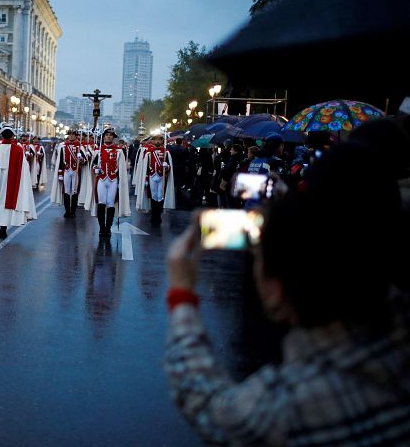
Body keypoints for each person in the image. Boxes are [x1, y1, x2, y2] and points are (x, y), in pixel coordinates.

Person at [163, 141, 409, 445]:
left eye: (261, 260)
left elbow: (206, 402)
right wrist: (288, 205)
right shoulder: (399, 321)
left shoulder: (286, 405)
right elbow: (341, 240)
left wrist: (181, 294)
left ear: (277, 291)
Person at [83, 127, 131, 237]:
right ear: (103, 137)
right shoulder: (98, 151)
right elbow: (94, 165)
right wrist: (95, 168)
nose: (109, 136)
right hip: (102, 179)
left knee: (110, 203)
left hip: (113, 180)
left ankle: (108, 227)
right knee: (101, 202)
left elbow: (122, 168)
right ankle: (101, 227)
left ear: (113, 138)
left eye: (111, 135)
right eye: (107, 135)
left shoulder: (119, 151)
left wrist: (120, 182)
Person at [134, 133, 174, 224]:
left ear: (162, 141)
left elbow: (169, 166)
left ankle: (158, 215)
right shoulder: (148, 153)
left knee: (160, 196)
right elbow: (146, 168)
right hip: (152, 176)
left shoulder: (166, 152)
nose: (157, 141)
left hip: (162, 177)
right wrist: (145, 179)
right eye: (155, 140)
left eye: (159, 140)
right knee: (153, 196)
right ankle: (153, 215)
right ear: (152, 141)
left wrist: (167, 166)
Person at [50, 128, 86, 218]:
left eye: (73, 134)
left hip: (76, 171)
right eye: (69, 134)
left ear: (76, 135)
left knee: (74, 191)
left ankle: (73, 211)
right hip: (66, 170)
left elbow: (85, 161)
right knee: (66, 191)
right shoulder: (62, 146)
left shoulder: (80, 146)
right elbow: (61, 161)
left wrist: (80, 158)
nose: (71, 136)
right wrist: (60, 173)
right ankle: (67, 211)